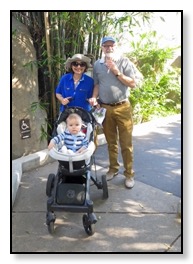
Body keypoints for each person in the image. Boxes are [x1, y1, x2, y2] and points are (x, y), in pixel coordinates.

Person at [89, 36, 143, 189]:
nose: (109, 48)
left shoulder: (124, 62)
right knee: (111, 142)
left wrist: (116, 72)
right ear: (102, 48)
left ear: (115, 47)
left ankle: (129, 174)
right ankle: (113, 169)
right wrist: (94, 97)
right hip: (105, 108)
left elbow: (132, 84)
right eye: (106, 46)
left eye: (111, 45)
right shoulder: (97, 65)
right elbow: (97, 84)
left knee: (126, 143)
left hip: (123, 107)